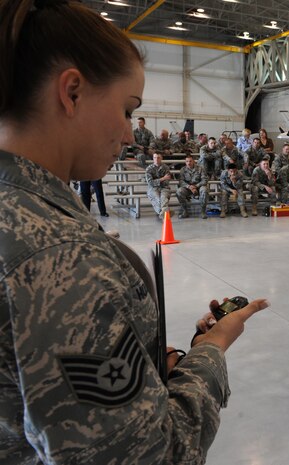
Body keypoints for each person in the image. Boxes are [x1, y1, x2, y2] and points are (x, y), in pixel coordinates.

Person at [0, 1, 268, 464]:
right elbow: (153, 455)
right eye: (127, 110)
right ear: (72, 92)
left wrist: (139, 362)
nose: (128, 135)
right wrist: (212, 350)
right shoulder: (62, 256)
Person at [176, 153, 209, 219]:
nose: (188, 163)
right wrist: (189, 186)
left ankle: (203, 211)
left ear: (193, 161)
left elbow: (204, 180)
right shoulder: (183, 169)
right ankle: (185, 211)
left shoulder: (200, 168)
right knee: (179, 191)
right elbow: (181, 181)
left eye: (190, 161)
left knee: (204, 190)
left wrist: (196, 186)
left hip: (198, 187)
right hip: (188, 188)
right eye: (187, 161)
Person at [145, 152, 172, 219]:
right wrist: (163, 178)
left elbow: (167, 181)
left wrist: (157, 181)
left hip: (164, 187)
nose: (156, 159)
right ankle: (165, 213)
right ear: (153, 159)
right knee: (157, 199)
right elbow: (150, 183)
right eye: (155, 157)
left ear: (161, 158)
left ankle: (163, 214)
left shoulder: (166, 167)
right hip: (153, 188)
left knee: (164, 198)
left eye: (158, 157)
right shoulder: (149, 169)